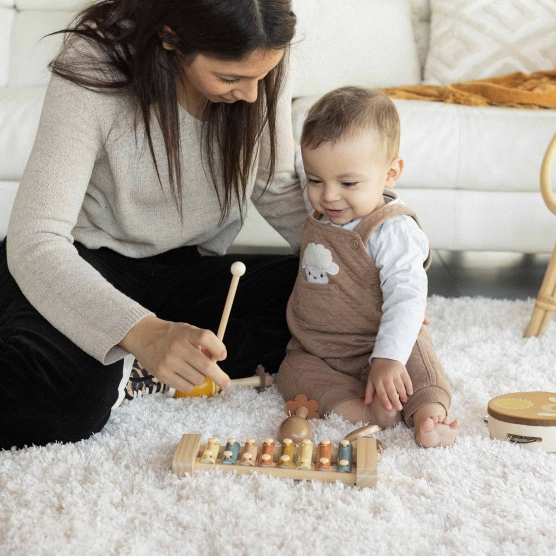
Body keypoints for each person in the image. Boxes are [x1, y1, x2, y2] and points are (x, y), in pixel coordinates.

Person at [0, 0, 308, 450]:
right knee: (70, 402)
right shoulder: (94, 62)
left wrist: (372, 255)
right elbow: (37, 240)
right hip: (85, 264)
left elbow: (275, 183)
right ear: (170, 38)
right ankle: (128, 356)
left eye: (261, 77)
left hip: (186, 272)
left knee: (327, 299)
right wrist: (143, 332)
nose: (252, 95)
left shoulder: (259, 58)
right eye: (230, 78)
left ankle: (135, 367)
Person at [277, 87, 459, 447]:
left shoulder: (392, 231)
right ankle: (362, 411)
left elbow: (407, 297)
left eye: (347, 183)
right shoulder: (326, 210)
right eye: (315, 180)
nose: (328, 196)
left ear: (391, 173)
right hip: (320, 348)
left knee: (419, 367)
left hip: (384, 340)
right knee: (293, 375)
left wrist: (389, 358)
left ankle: (428, 416)